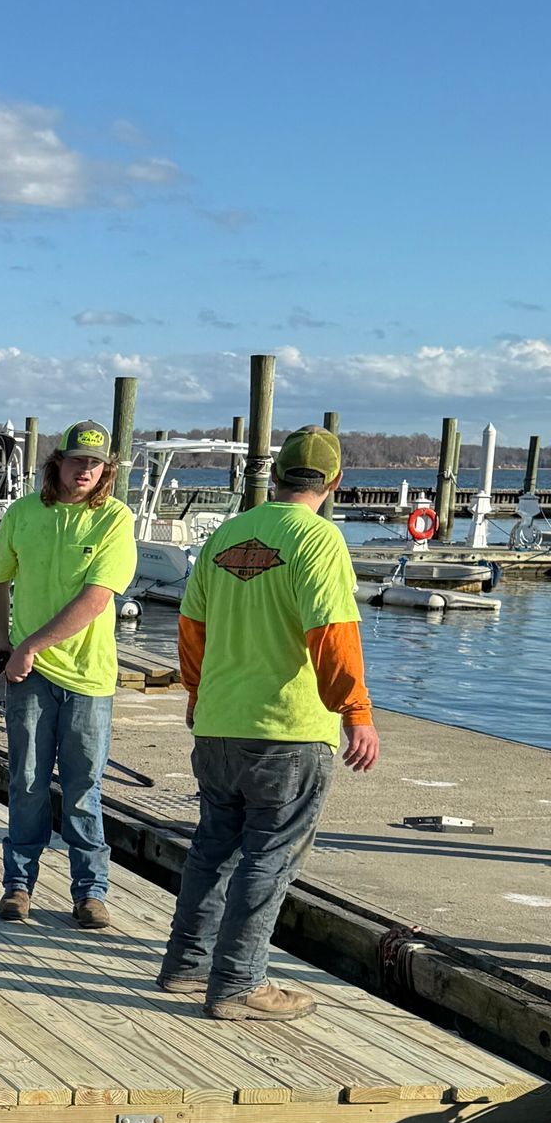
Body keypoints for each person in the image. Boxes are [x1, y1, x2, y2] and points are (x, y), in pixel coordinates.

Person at [156, 426, 378, 1020]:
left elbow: (191, 628)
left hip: (219, 724)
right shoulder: (319, 539)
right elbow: (331, 632)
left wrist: (199, 694)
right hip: (288, 730)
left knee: (213, 850)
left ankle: (185, 964)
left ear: (275, 477)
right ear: (333, 483)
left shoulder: (226, 535)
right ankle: (239, 984)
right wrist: (355, 711)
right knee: (268, 857)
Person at [0, 420, 139, 928]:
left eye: (95, 464)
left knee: (82, 788)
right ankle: (18, 885)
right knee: (25, 782)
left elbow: (97, 598)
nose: (85, 471)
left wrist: (28, 645)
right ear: (57, 464)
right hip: (29, 677)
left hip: (89, 678)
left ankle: (90, 892)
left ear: (106, 470)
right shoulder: (24, 513)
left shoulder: (115, 519)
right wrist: (2, 643)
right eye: (77, 461)